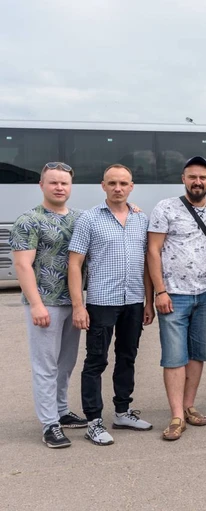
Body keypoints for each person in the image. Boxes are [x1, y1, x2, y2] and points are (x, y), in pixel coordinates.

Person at [68, 164, 155, 446]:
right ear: (103, 185)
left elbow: (147, 263)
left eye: (123, 183)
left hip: (134, 300)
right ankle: (93, 421)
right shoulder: (89, 219)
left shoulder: (141, 219)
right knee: (96, 360)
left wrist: (149, 301)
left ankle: (122, 412)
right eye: (112, 183)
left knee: (127, 357)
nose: (118, 188)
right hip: (101, 302)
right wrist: (78, 306)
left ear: (131, 187)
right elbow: (75, 264)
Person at [147, 156, 206, 441]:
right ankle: (176, 416)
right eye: (192, 177)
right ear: (183, 179)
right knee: (174, 357)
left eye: (203, 178)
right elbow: (153, 250)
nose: (197, 182)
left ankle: (189, 405)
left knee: (198, 354)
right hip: (173, 294)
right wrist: (159, 291)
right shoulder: (165, 207)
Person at [10, 162, 88, 448]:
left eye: (64, 183)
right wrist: (36, 304)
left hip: (73, 301)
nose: (59, 187)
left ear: (71, 187)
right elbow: (22, 265)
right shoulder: (28, 220)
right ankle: (49, 424)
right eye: (53, 182)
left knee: (66, 363)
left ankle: (61, 410)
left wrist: (134, 209)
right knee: (45, 366)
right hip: (46, 304)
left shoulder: (80, 218)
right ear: (41, 185)